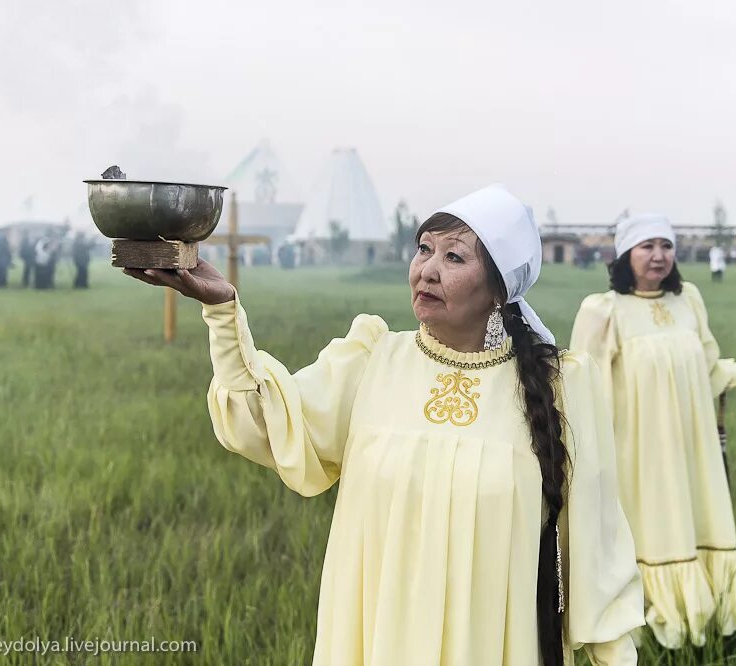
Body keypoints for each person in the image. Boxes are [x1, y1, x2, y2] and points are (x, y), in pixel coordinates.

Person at [124, 184, 645, 665]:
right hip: (376, 639)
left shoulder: (562, 386)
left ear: (499, 289)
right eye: (423, 249)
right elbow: (266, 424)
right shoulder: (372, 357)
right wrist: (223, 312)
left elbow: (597, 556)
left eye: (454, 256)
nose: (427, 270)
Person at [570, 214, 736, 650]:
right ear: (625, 254)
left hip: (693, 449)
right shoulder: (604, 311)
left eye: (666, 246)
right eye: (646, 246)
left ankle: (703, 624)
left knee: (698, 520)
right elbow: (583, 390)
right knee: (649, 529)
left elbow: (709, 372)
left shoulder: (688, 300)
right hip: (639, 454)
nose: (659, 256)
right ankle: (645, 632)